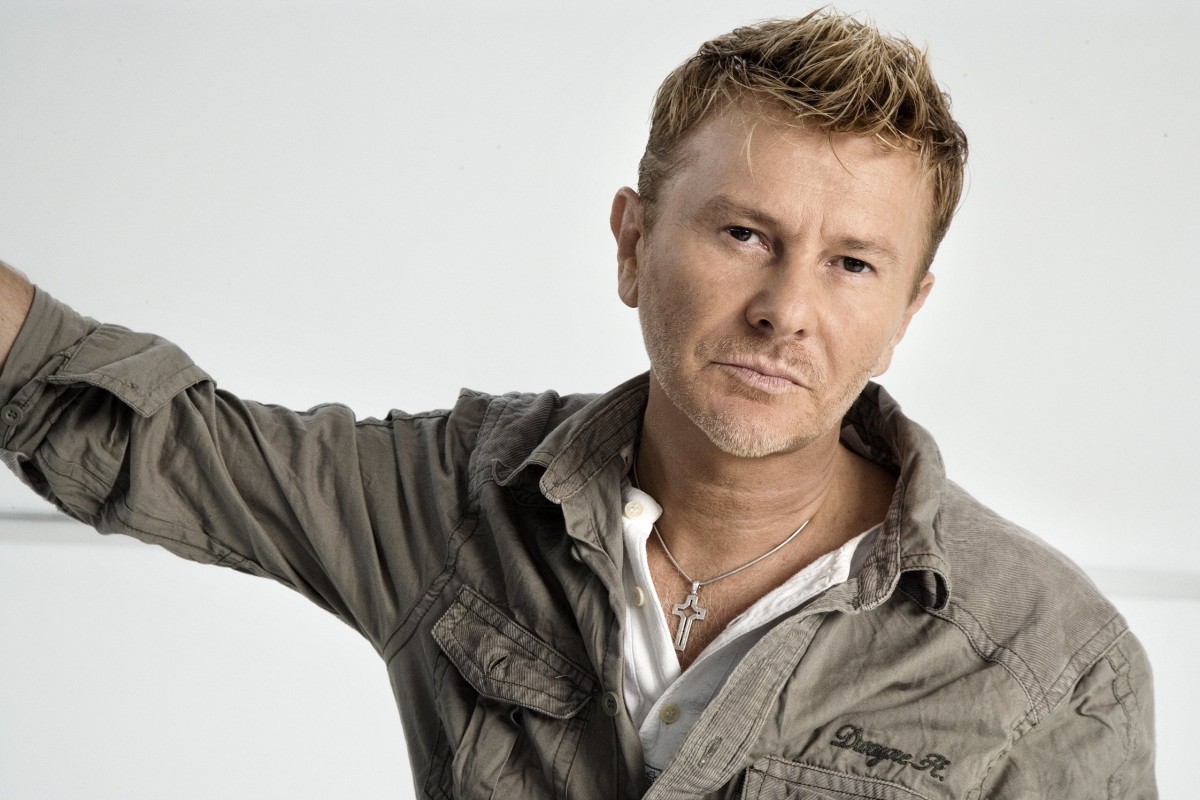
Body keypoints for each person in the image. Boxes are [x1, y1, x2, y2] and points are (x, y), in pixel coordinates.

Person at [0, 10, 1155, 799]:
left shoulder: (1052, 660)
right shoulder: (460, 500)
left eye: (852, 263)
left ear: (907, 308)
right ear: (633, 242)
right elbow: (136, 433)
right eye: (743, 234)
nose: (785, 311)